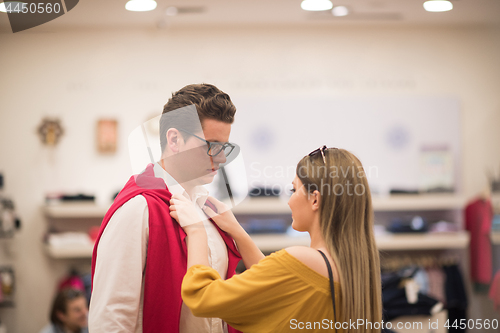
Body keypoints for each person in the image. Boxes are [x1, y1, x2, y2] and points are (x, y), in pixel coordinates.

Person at [170, 147, 383, 333]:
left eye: (293, 189)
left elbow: (202, 297)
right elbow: (279, 281)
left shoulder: (302, 258)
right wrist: (237, 231)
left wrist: (196, 230)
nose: (289, 200)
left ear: (315, 199)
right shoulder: (355, 268)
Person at [89, 84, 244, 333]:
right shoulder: (138, 209)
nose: (222, 159)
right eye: (212, 145)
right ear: (174, 139)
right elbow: (111, 319)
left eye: (224, 147)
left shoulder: (211, 211)